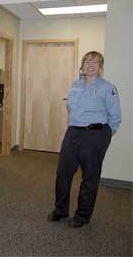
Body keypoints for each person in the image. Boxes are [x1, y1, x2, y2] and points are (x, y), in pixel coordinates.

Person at [47, 51, 121, 228]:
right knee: (63, 174)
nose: (90, 64)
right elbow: (70, 107)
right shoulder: (75, 85)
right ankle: (60, 210)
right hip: (73, 133)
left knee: (90, 177)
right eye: (87, 61)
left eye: (95, 62)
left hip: (95, 135)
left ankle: (82, 215)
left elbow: (115, 116)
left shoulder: (107, 87)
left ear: (100, 67)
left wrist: (104, 135)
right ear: (82, 65)